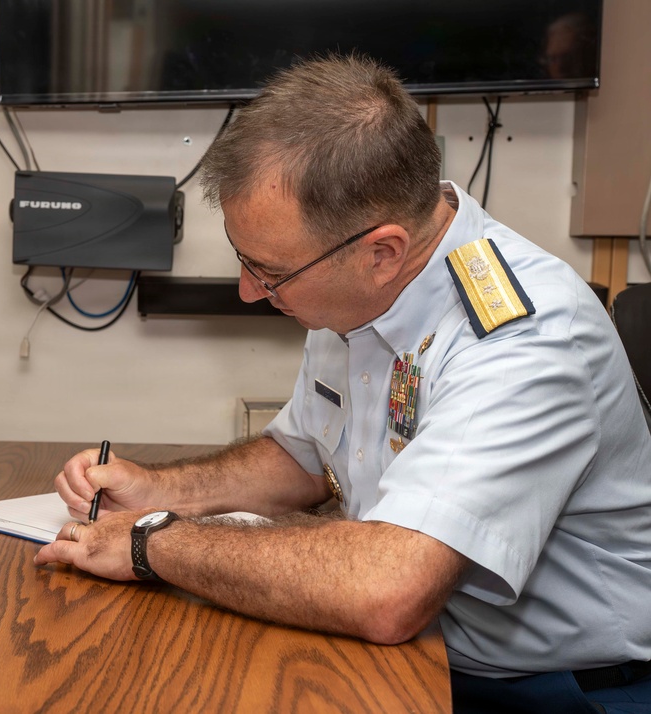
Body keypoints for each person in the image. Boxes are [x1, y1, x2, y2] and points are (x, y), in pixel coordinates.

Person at [34, 54, 651, 713]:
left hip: (558, 690)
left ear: (380, 253)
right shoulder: (360, 284)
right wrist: (161, 490)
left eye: (268, 272)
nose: (250, 292)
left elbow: (386, 591)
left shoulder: (522, 342)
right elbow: (303, 457)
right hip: (424, 655)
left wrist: (152, 541)